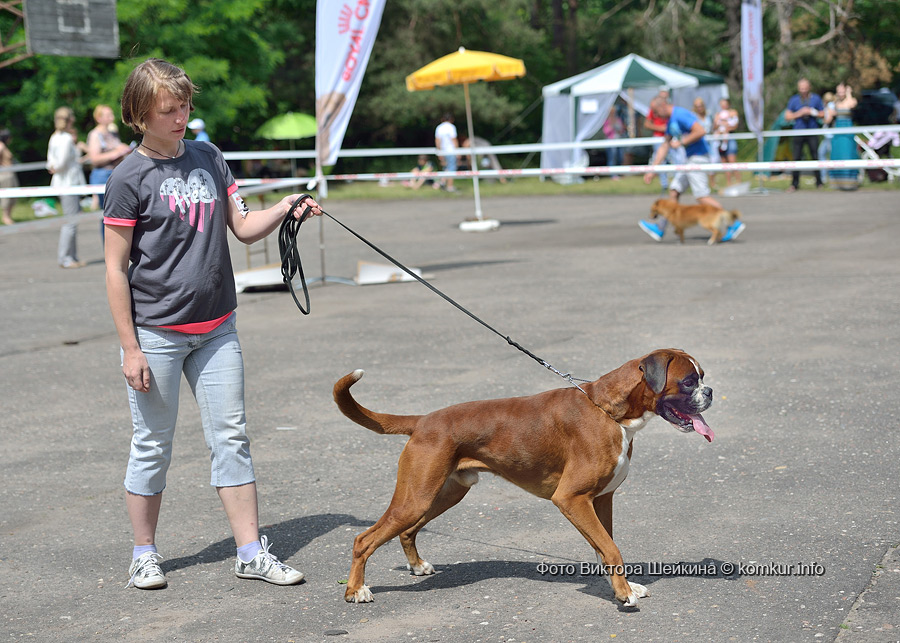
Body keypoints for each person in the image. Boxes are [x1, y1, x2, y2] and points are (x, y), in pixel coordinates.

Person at [103, 58, 322, 590]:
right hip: (156, 333)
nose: (181, 117)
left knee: (231, 437)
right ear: (139, 114)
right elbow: (114, 268)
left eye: (184, 106)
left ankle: (250, 552)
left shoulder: (209, 157)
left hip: (218, 327)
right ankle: (144, 554)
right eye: (168, 110)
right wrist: (130, 347)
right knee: (152, 444)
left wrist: (286, 206)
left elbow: (243, 227)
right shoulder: (128, 177)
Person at [639, 96, 745, 243]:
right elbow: (665, 145)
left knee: (702, 196)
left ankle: (732, 223)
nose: (655, 116)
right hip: (689, 159)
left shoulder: (680, 114)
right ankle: (660, 227)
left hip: (698, 158)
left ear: (663, 106)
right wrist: (652, 170)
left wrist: (682, 142)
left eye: (656, 112)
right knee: (674, 190)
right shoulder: (671, 120)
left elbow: (700, 131)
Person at [47, 107, 86, 268]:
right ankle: (65, 258)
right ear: (69, 120)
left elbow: (50, 160)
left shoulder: (54, 137)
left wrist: (53, 167)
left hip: (62, 183)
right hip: (68, 184)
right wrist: (57, 167)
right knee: (70, 222)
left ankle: (73, 257)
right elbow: (62, 162)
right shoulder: (66, 139)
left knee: (72, 220)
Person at [87, 104, 132, 209]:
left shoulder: (112, 133)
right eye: (108, 115)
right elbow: (94, 159)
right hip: (102, 175)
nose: (112, 117)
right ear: (99, 118)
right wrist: (115, 153)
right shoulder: (95, 135)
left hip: (115, 173)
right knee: (107, 210)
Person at [784, 78, 825, 191]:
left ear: (809, 87)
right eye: (801, 89)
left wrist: (812, 112)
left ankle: (819, 182)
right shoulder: (794, 100)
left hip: (812, 131)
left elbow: (823, 114)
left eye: (805, 88)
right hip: (798, 132)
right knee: (796, 157)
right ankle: (794, 183)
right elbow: (787, 116)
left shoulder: (816, 98)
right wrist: (800, 113)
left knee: (815, 156)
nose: (803, 91)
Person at [828, 83, 859, 190]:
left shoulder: (851, 100)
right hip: (838, 129)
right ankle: (838, 182)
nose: (840, 93)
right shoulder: (834, 103)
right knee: (837, 154)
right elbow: (829, 116)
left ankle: (849, 182)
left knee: (848, 153)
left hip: (847, 129)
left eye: (842, 91)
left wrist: (849, 93)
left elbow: (851, 105)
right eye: (839, 91)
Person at [643, 89, 671, 190]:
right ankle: (664, 185)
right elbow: (647, 124)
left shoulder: (671, 109)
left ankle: (678, 185)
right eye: (662, 97)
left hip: (671, 137)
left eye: (665, 97)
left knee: (677, 160)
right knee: (660, 160)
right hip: (659, 138)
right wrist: (661, 128)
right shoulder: (653, 109)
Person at [713, 98, 741, 187]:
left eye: (725, 104)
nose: (723, 105)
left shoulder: (733, 112)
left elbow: (734, 125)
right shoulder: (718, 114)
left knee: (732, 161)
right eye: (722, 104)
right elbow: (715, 127)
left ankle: (739, 182)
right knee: (724, 163)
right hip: (721, 140)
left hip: (730, 138)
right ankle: (729, 184)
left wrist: (726, 127)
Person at [434, 113, 458, 192]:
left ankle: (442, 182)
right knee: (451, 168)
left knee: (446, 168)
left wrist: (439, 151)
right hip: (451, 151)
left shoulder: (439, 127)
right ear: (451, 119)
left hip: (442, 151)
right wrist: (458, 151)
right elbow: (454, 139)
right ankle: (450, 186)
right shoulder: (451, 127)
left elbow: (437, 140)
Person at [601, 106, 626, 180]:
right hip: (611, 141)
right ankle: (612, 174)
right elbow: (605, 131)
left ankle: (619, 173)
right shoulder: (607, 121)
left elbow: (622, 130)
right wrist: (611, 125)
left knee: (620, 157)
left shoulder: (618, 119)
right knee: (612, 158)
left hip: (618, 140)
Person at [0, 128, 18, 225]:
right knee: (7, 196)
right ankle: (5, 217)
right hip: (5, 175)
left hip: (10, 174)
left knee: (13, 196)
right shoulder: (1, 146)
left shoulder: (4, 147)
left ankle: (8, 216)